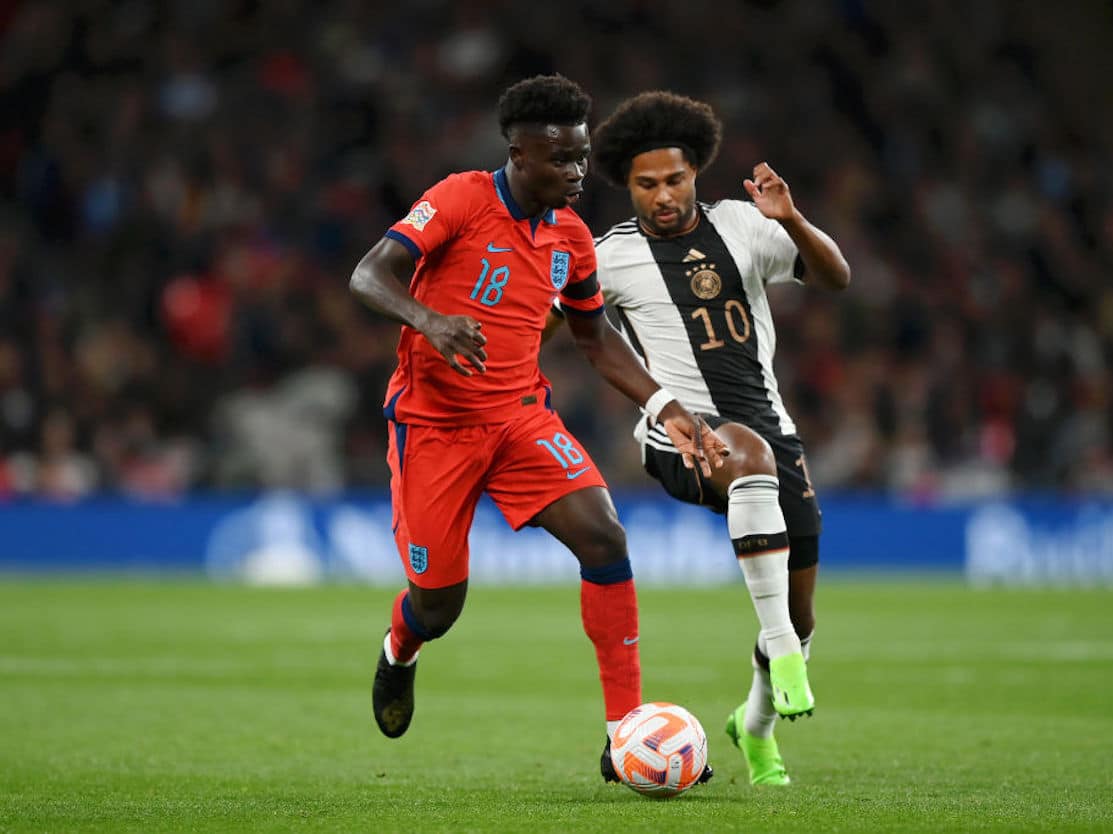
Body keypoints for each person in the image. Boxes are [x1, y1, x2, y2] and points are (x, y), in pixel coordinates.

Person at [348, 75, 726, 782]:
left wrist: (667, 408)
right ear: (519, 154)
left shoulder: (572, 239)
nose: (578, 172)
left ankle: (623, 738)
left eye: (582, 157)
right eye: (562, 159)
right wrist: (432, 323)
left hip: (520, 418)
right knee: (440, 604)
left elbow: (596, 340)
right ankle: (402, 646)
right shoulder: (461, 197)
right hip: (434, 427)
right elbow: (370, 275)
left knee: (606, 536)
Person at [560, 91, 851, 786]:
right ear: (626, 186)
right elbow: (560, 327)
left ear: (697, 173)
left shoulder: (746, 224)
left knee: (802, 608)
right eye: (647, 184)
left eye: (675, 179)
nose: (664, 195)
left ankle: (752, 727)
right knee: (742, 456)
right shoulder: (610, 257)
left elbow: (836, 277)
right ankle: (779, 649)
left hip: (772, 430)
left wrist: (794, 220)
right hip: (678, 439)